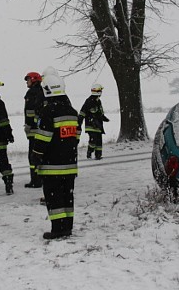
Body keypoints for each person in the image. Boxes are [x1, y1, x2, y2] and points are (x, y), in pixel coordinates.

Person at [31, 67, 79, 239]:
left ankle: (58, 229)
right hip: (70, 164)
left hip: (52, 166)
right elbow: (76, 137)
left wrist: (35, 156)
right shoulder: (72, 112)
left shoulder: (48, 112)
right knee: (67, 197)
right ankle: (67, 226)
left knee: (54, 198)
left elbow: (42, 139)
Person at [23, 71, 45, 188]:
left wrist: (29, 124)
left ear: (34, 80)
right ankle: (40, 178)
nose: (27, 82)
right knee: (40, 154)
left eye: (28, 79)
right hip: (41, 129)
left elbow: (30, 112)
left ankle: (35, 180)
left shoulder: (31, 93)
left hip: (33, 130)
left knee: (33, 155)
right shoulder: (42, 92)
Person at [78, 83, 110, 160]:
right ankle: (89, 152)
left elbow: (100, 113)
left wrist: (104, 118)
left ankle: (98, 155)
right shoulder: (89, 101)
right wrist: (79, 123)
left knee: (99, 140)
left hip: (98, 124)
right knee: (93, 139)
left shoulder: (98, 101)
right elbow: (82, 112)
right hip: (91, 125)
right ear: (98, 91)